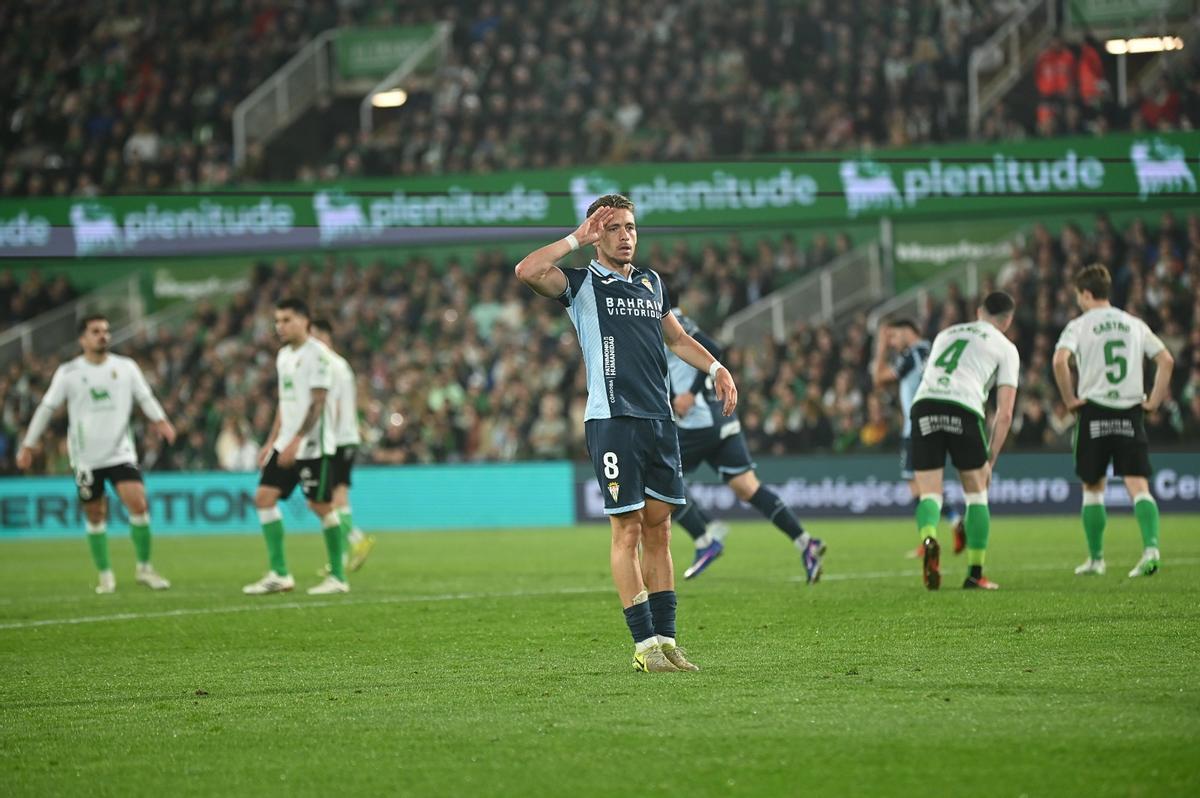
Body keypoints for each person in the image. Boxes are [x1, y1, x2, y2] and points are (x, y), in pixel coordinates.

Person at [515, 194, 736, 673]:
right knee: (628, 528)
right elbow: (527, 270)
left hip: (659, 421)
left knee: (660, 530)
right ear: (599, 233)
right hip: (613, 420)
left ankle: (668, 640)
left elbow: (676, 339)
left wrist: (717, 366)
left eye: (631, 227)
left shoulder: (652, 283)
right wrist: (576, 238)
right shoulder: (581, 284)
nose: (626, 236)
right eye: (614, 228)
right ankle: (643, 647)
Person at [16, 314, 176, 594]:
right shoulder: (69, 373)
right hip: (86, 458)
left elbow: (145, 396)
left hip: (120, 452)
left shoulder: (126, 367)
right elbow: (46, 408)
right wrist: (29, 444)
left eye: (106, 330)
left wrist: (161, 420)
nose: (103, 335)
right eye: (96, 331)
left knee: (138, 504)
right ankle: (105, 575)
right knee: (95, 514)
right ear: (83, 339)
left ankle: (145, 568)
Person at [665, 309, 825, 582]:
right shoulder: (678, 318)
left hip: (698, 423)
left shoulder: (663, 317)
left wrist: (687, 395)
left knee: (660, 476)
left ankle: (705, 539)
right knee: (748, 487)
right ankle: (805, 542)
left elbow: (712, 349)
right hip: (722, 421)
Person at [1052, 264, 1174, 579]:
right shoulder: (1133, 323)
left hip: (1093, 410)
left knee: (1093, 486)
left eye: (1079, 295)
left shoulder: (1079, 326)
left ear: (1087, 294)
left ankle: (1096, 559)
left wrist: (1068, 400)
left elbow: (1059, 360)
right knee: (1138, 484)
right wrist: (1154, 401)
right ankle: (1151, 550)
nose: (1078, 300)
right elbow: (1166, 360)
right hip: (1130, 409)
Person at [910, 292, 1020, 591]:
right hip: (964, 406)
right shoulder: (1006, 347)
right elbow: (1005, 413)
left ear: (978, 311)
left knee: (929, 493)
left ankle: (929, 536)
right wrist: (991, 457)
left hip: (925, 404)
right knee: (977, 493)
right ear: (1007, 320)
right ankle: (975, 573)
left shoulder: (946, 333)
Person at [243, 298, 347, 596]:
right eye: (277, 321)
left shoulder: (319, 356)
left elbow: (317, 403)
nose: (280, 326)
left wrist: (298, 440)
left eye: (287, 320)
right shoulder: (283, 356)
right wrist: (272, 441)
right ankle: (279, 574)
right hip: (286, 442)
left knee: (320, 505)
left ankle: (338, 576)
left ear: (305, 320)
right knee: (263, 498)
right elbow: (284, 403)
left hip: (313, 445)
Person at [871, 318, 965, 557]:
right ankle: (953, 522)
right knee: (929, 486)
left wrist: (880, 347)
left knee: (918, 489)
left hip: (913, 429)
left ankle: (930, 537)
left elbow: (879, 378)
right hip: (934, 425)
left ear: (907, 332)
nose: (892, 342)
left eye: (893, 336)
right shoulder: (933, 350)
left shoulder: (912, 354)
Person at [310, 318, 376, 574]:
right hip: (345, 437)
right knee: (335, 499)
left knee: (324, 500)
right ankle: (342, 555)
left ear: (326, 337)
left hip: (335, 439)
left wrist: (325, 437)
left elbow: (333, 404)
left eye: (315, 336)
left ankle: (355, 542)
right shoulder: (341, 364)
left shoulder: (329, 365)